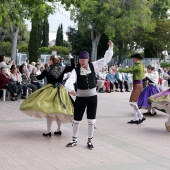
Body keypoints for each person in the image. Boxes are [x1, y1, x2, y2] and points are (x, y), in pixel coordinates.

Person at [65, 40, 113, 149]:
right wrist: (71, 89)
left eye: (84, 60)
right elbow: (69, 81)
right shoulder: (76, 70)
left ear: (88, 59)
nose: (82, 62)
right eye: (80, 60)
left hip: (92, 97)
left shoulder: (94, 65)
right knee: (76, 119)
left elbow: (106, 60)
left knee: (91, 120)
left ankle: (90, 141)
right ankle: (74, 139)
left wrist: (110, 48)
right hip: (80, 97)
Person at [20, 55, 75, 137]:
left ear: (52, 61)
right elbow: (72, 67)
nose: (49, 61)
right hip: (61, 91)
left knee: (49, 112)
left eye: (50, 60)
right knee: (58, 111)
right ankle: (58, 130)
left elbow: (40, 77)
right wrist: (71, 58)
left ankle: (48, 131)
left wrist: (32, 76)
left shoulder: (48, 69)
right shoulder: (62, 68)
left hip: (50, 90)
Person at [119, 54, 146, 124]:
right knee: (134, 102)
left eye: (133, 58)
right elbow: (131, 70)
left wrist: (119, 69)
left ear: (137, 59)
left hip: (137, 85)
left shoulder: (138, 65)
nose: (133, 60)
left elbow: (130, 69)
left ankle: (141, 116)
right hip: (137, 84)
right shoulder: (139, 65)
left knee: (132, 102)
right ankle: (135, 118)